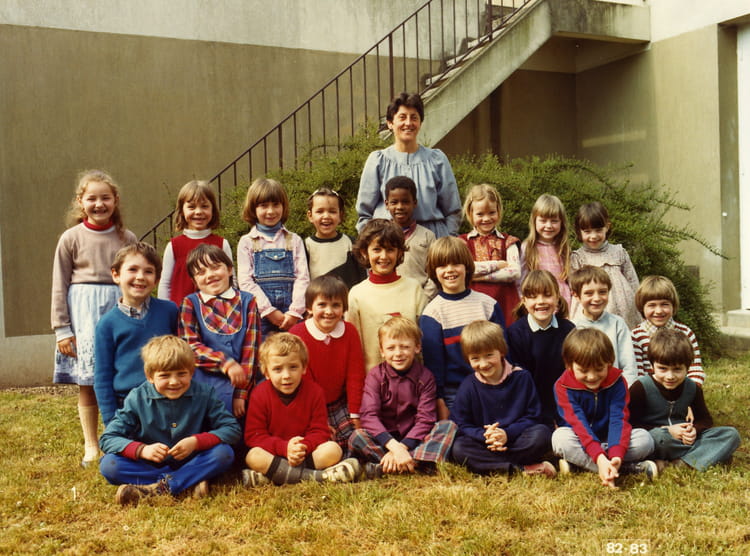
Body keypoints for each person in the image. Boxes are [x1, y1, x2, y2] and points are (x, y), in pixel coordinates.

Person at [51, 169, 137, 466]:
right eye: (92, 199)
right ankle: (91, 444)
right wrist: (62, 329)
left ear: (115, 200)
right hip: (83, 314)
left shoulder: (126, 237)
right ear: (80, 201)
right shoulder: (70, 238)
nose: (99, 204)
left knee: (122, 376)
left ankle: (121, 436)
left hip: (118, 308)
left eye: (105, 198)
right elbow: (59, 284)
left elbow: (136, 275)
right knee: (88, 381)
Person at [99, 335, 240, 506]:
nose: (174, 382)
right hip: (150, 465)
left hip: (192, 462)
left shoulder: (205, 394)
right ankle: (185, 484)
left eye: (182, 374)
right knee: (110, 465)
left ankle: (159, 488)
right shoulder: (137, 397)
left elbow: (232, 429)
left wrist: (196, 442)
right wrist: (142, 450)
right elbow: (108, 438)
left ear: (192, 372)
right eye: (165, 375)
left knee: (223, 454)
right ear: (150, 376)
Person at [243, 333, 361, 486]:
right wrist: (285, 448)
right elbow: (254, 436)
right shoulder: (259, 394)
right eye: (277, 369)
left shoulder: (315, 392)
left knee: (333, 450)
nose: (286, 375)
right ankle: (322, 477)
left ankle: (274, 477)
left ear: (304, 368)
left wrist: (302, 447)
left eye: (293, 367)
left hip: (305, 454)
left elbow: (320, 431)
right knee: (253, 456)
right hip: (274, 454)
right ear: (266, 373)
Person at [348, 317, 457, 475]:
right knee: (357, 436)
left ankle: (391, 464)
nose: (398, 353)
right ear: (382, 351)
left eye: (405, 347)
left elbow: (426, 418)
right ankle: (415, 464)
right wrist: (394, 447)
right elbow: (369, 416)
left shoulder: (426, 377)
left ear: (417, 347)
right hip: (385, 440)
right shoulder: (375, 376)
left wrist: (403, 447)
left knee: (447, 426)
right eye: (391, 348)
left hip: (415, 439)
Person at [552, 328, 656, 488]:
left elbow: (618, 420)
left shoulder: (618, 381)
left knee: (645, 440)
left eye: (599, 369)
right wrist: (600, 458)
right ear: (569, 365)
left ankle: (585, 465)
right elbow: (579, 425)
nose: (592, 376)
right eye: (583, 370)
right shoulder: (563, 386)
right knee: (560, 438)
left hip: (610, 439)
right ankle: (625, 469)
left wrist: (616, 455)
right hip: (580, 439)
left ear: (609, 362)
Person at [450, 321, 555, 477]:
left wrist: (507, 434)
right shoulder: (468, 385)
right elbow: (462, 423)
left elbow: (533, 416)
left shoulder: (522, 377)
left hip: (517, 438)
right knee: (459, 448)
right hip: (487, 443)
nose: (483, 364)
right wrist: (485, 436)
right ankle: (522, 469)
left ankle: (495, 465)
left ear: (501, 351)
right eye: (475, 358)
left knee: (542, 434)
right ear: (468, 359)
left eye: (489, 355)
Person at [629, 328, 740, 471]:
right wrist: (667, 430)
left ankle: (680, 463)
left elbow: (705, 420)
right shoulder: (640, 387)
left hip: (684, 440)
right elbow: (631, 424)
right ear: (652, 366)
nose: (670, 376)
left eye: (677, 369)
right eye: (662, 369)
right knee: (660, 438)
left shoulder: (692, 388)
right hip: (657, 439)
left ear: (687, 367)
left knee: (731, 434)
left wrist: (693, 430)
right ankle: (705, 456)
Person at [419, 237, 505, 419]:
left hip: (493, 386)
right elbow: (434, 367)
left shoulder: (488, 305)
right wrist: (439, 400)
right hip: (455, 394)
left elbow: (504, 352)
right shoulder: (432, 314)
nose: (450, 270)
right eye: (442, 265)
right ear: (434, 271)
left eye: (456, 263)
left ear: (467, 266)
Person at [355, 92, 461, 238]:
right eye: (402, 117)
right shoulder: (378, 161)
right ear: (390, 123)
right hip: (388, 240)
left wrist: (447, 239)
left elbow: (453, 210)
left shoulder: (437, 160)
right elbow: (364, 214)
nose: (408, 123)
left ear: (420, 123)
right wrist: (374, 241)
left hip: (433, 240)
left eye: (414, 117)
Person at [94, 242, 178, 425]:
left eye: (148, 271)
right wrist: (111, 422)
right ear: (116, 275)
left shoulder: (170, 311)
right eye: (132, 269)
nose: (140, 277)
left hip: (169, 400)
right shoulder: (107, 325)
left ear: (156, 279)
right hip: (127, 405)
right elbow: (102, 378)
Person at [178, 244, 260, 418]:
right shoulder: (190, 303)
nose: (210, 275)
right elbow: (190, 347)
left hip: (240, 388)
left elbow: (251, 350)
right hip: (202, 389)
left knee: (238, 428)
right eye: (201, 272)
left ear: (230, 270)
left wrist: (241, 392)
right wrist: (225, 363)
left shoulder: (248, 301)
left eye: (215, 267)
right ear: (194, 281)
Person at [289, 276, 366, 452]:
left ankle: (353, 459)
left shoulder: (350, 332)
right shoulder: (298, 334)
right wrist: (319, 419)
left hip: (339, 402)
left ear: (344, 308)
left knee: (357, 436)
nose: (329, 311)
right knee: (319, 439)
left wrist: (355, 414)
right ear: (309, 308)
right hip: (307, 404)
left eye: (336, 305)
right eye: (322, 305)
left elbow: (355, 375)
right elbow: (304, 382)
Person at [347, 219, 428, 371]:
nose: (383, 256)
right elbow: (353, 347)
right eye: (377, 249)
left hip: (412, 379)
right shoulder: (357, 294)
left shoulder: (414, 288)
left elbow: (424, 340)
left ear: (400, 253)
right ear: (364, 252)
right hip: (372, 380)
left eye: (390, 250)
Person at [237, 177, 310, 336]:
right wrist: (268, 310)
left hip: (291, 315)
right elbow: (245, 282)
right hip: (261, 314)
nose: (270, 211)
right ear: (253, 208)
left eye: (276, 205)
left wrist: (295, 311)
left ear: (283, 206)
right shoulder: (247, 242)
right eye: (264, 206)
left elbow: (303, 277)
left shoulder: (294, 240)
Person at [506, 270, 575, 427]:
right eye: (533, 297)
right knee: (539, 436)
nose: (541, 301)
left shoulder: (568, 330)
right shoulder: (516, 333)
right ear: (524, 301)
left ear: (557, 297)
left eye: (547, 295)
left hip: (566, 404)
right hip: (532, 408)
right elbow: (519, 382)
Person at [157, 180, 234, 307]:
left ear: (213, 209)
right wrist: (165, 312)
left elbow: (231, 280)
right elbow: (166, 284)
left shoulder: (222, 244)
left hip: (216, 312)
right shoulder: (174, 246)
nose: (198, 212)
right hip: (181, 313)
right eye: (192, 207)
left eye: (204, 206)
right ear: (182, 211)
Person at [459, 184, 520, 328]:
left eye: (492, 213)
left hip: (504, 302)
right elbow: (465, 269)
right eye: (480, 214)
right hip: (473, 303)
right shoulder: (462, 242)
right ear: (470, 213)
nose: (486, 218)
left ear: (498, 211)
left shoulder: (508, 242)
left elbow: (514, 272)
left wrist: (477, 276)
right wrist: (498, 265)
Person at [570, 202, 640, 328]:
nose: (593, 236)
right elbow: (574, 287)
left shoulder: (619, 252)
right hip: (591, 309)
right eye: (587, 231)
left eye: (598, 230)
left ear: (607, 227)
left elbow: (633, 281)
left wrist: (640, 305)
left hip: (624, 311)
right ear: (579, 231)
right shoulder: (578, 257)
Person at [569, 266, 637, 386]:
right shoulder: (572, 327)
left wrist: (625, 391)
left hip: (615, 390)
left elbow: (629, 366)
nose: (597, 298)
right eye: (589, 293)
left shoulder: (617, 324)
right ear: (576, 295)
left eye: (602, 292)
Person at [630, 275, 704, 384]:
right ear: (642, 307)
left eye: (664, 304)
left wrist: (691, 389)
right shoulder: (636, 336)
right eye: (652, 305)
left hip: (680, 388)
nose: (659, 311)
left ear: (673, 305)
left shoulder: (685, 332)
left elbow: (695, 369)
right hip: (650, 390)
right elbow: (638, 374)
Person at [385, 176, 437, 299]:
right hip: (388, 299)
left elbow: (435, 272)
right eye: (394, 202)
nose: (400, 207)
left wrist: (424, 300)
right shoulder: (380, 236)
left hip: (420, 299)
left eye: (405, 202)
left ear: (414, 203)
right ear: (386, 204)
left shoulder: (427, 236)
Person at [304, 187, 365, 289]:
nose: (326, 216)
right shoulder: (305, 246)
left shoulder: (351, 243)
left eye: (332, 211)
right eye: (320, 211)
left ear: (340, 215)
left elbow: (362, 279)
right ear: (310, 216)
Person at [520, 194, 572, 305]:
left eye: (554, 221)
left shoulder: (564, 248)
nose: (548, 226)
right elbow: (520, 282)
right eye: (543, 221)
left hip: (563, 303)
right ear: (534, 221)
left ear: (561, 222)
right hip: (539, 303)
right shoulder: (527, 247)